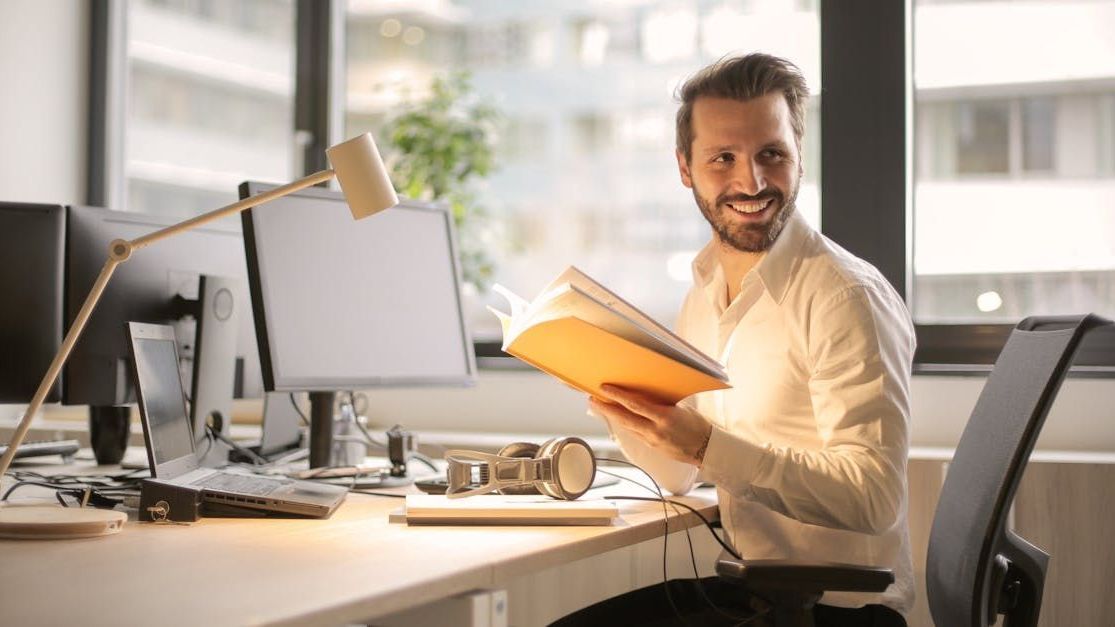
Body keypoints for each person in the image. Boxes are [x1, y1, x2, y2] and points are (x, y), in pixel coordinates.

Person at [558, 53, 915, 626]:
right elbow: (678, 476)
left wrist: (707, 445)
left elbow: (872, 498)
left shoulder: (845, 295)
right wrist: (615, 398)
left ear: (798, 156)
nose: (750, 182)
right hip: (759, 591)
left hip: (843, 610)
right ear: (685, 168)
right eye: (722, 158)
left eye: (771, 154)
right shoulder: (704, 291)